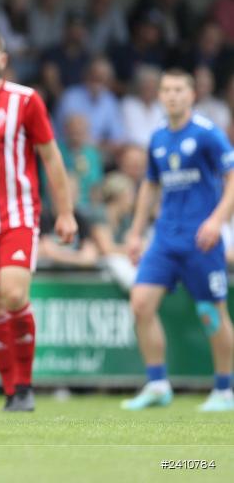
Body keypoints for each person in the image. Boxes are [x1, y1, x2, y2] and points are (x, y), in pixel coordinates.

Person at [0, 27, 78, 411]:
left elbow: (52, 158)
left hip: (18, 217)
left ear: (3, 60)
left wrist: (65, 213)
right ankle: (12, 391)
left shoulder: (26, 101)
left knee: (14, 294)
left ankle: (25, 385)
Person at [124, 69, 234, 412]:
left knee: (210, 313)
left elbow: (232, 178)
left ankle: (224, 389)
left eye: (179, 90)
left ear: (191, 95)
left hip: (201, 238)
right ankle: (157, 384)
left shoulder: (206, 134)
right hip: (164, 238)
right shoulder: (157, 137)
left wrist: (217, 221)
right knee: (140, 303)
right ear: (159, 95)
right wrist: (136, 231)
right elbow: (151, 185)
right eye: (166, 89)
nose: (172, 95)